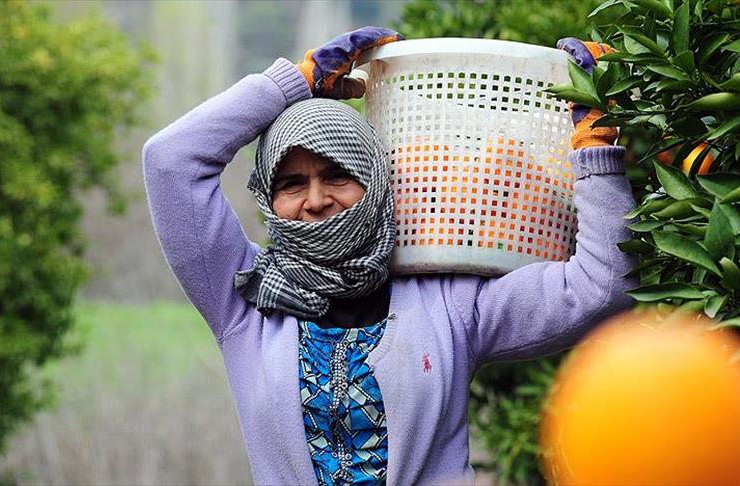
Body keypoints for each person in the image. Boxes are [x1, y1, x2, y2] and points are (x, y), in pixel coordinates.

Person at [143, 27, 637, 485]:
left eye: (337, 174)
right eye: (292, 183)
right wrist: (294, 81)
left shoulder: (446, 303)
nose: (315, 200)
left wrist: (594, 150)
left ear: (376, 180)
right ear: (269, 199)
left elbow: (602, 284)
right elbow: (170, 161)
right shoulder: (246, 300)